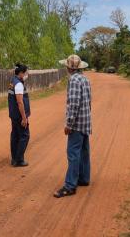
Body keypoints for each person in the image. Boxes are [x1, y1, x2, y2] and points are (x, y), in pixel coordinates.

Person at [54, 55, 92, 198]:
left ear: (69, 68)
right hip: (85, 121)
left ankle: (70, 186)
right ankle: (83, 178)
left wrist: (69, 124)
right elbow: (88, 102)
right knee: (83, 152)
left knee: (73, 153)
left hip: (76, 124)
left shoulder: (74, 80)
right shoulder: (85, 79)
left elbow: (74, 104)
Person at [8, 63, 31, 167]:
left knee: (15, 135)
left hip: (13, 114)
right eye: (25, 72)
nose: (27, 74)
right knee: (25, 135)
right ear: (21, 73)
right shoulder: (18, 85)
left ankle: (14, 159)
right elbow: (20, 102)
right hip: (19, 115)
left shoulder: (13, 81)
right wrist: (24, 118)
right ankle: (19, 159)